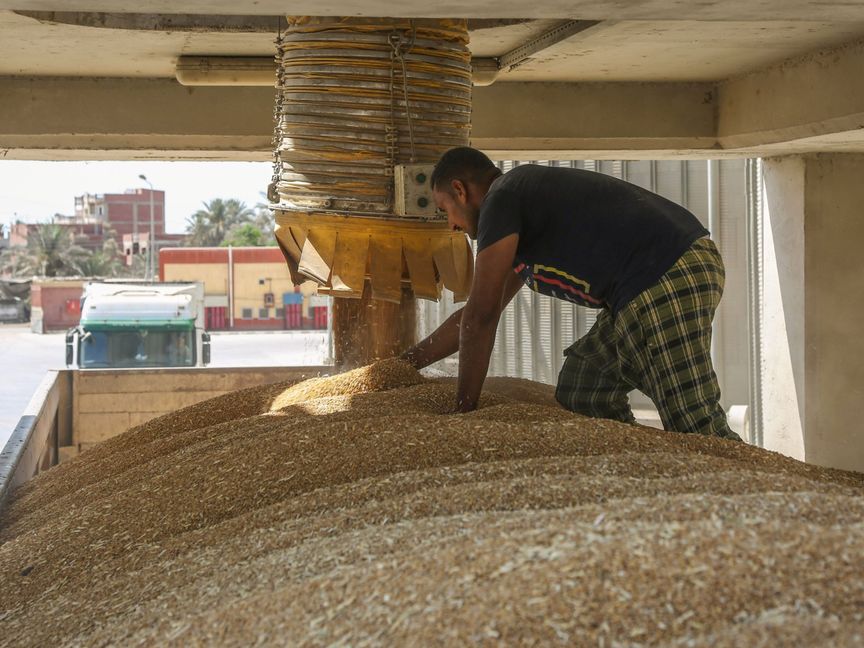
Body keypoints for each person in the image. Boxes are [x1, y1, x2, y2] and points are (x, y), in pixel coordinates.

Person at [401, 146, 741, 441]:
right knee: (585, 387)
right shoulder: (520, 213)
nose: (452, 226)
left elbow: (480, 317)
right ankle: (641, 460)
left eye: (445, 210)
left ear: (460, 190)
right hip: (654, 280)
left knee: (695, 424)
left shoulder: (501, 198)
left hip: (663, 274)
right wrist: (405, 366)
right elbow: (474, 315)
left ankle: (761, 494)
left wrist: (463, 410)